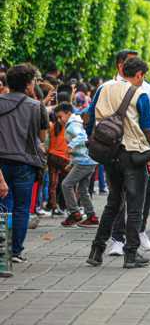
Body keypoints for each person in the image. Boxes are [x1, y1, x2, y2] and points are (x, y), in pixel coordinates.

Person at [86, 58, 150, 269]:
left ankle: (96, 250)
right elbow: (148, 133)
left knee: (113, 202)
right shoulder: (140, 94)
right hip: (133, 155)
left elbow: (88, 117)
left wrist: (94, 139)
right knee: (135, 206)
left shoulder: (103, 88)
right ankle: (131, 254)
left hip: (110, 154)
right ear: (139, 75)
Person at [106, 49, 150, 256]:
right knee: (118, 198)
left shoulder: (145, 89)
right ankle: (118, 240)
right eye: (131, 62)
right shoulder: (107, 88)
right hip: (117, 151)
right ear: (120, 66)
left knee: (143, 195)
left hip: (139, 151)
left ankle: (138, 232)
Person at [0, 64, 49, 265]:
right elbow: (42, 137)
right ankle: (15, 251)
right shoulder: (36, 106)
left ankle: (2, 248)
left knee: (5, 205)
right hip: (25, 163)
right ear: (28, 84)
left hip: (1, 163)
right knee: (21, 207)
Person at [54, 102, 98, 227]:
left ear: (68, 113)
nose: (59, 120)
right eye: (57, 118)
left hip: (84, 162)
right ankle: (91, 216)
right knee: (82, 190)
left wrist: (70, 146)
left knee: (66, 184)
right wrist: (72, 162)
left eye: (60, 116)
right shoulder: (75, 122)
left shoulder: (72, 125)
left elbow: (82, 136)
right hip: (87, 160)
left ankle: (75, 213)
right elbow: (81, 148)